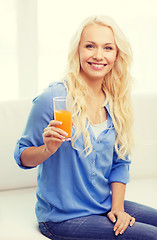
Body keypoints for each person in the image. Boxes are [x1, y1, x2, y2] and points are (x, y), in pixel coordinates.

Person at [14, 15, 157, 240]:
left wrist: (117, 208)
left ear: (117, 55)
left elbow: (121, 162)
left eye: (108, 47)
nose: (98, 55)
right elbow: (22, 156)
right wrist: (47, 149)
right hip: (62, 218)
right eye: (90, 46)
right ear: (78, 51)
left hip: (103, 205)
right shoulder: (54, 97)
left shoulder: (116, 101)